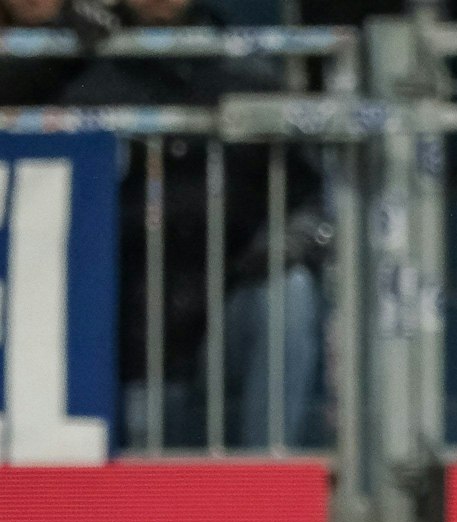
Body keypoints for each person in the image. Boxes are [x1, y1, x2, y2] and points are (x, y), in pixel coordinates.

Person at [61, 0, 328, 450]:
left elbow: (312, 196)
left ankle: (268, 484)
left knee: (289, 296)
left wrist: (287, 242)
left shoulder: (249, 75)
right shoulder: (87, 79)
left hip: (222, 318)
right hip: (123, 332)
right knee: (146, 475)